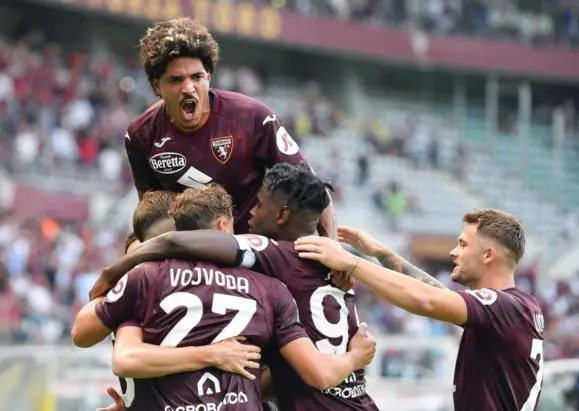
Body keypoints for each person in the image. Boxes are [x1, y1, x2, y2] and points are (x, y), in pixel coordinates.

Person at [90, 164, 379, 410]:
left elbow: (92, 336)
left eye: (259, 204)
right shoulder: (324, 267)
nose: (250, 213)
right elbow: (290, 374)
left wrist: (119, 268)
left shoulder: (266, 253)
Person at [294, 209, 545, 411]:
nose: (453, 252)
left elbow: (427, 300)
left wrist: (351, 263)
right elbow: (437, 293)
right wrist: (381, 254)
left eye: (462, 244)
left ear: (488, 255)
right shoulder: (513, 308)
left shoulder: (505, 307)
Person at [124, 17, 335, 237]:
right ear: (157, 86)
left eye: (196, 77)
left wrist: (332, 249)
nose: (188, 88)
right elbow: (150, 213)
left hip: (254, 250)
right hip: (189, 252)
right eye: (176, 80)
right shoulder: (140, 135)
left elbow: (312, 188)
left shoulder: (253, 117)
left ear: (209, 77)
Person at [98, 190, 265, 411]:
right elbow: (121, 357)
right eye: (141, 261)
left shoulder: (251, 285)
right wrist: (211, 355)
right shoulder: (137, 295)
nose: (157, 265)